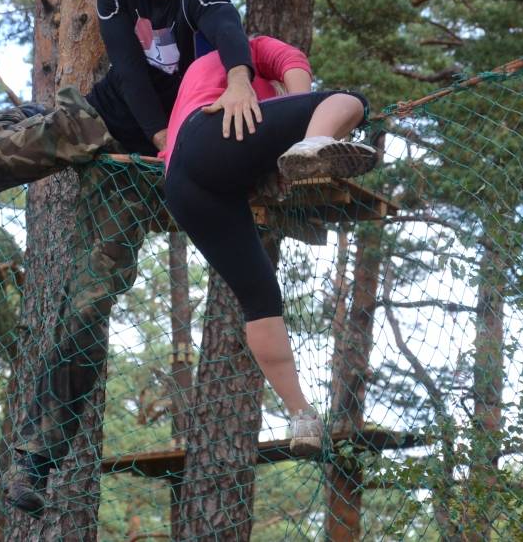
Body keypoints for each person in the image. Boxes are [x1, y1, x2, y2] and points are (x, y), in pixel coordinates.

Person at [0, 0, 259, 518]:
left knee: (88, 305)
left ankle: (36, 459)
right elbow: (130, 69)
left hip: (135, 174)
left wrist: (241, 78)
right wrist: (163, 137)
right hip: (96, 123)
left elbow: (226, 28)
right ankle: (23, 120)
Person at [161, 35, 377, 454]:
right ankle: (314, 142)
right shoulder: (248, 48)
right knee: (351, 102)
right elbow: (291, 61)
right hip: (208, 135)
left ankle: (301, 415)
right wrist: (305, 111)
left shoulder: (198, 79)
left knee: (260, 298)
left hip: (184, 186)